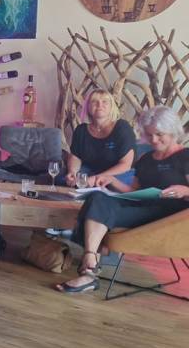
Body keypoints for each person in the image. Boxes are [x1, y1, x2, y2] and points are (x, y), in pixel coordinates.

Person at [57, 106, 189, 293]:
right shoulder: (146, 159)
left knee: (104, 209)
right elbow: (135, 191)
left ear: (173, 131)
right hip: (143, 208)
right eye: (149, 134)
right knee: (97, 197)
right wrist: (111, 180)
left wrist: (184, 190)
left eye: (159, 134)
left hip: (168, 217)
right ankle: (89, 265)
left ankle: (89, 270)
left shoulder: (185, 157)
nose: (153, 140)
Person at [65, 89, 136, 188]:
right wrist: (72, 172)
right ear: (88, 107)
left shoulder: (122, 127)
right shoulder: (81, 130)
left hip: (118, 175)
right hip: (90, 172)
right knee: (63, 179)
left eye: (105, 102)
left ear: (111, 107)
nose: (99, 105)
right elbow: (75, 157)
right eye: (94, 101)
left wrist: (96, 178)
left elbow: (126, 165)